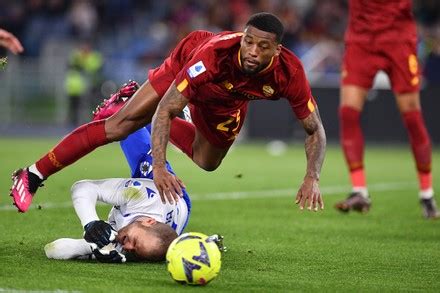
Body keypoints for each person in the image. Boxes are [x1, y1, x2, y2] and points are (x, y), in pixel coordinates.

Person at [10, 12, 326, 213]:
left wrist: (312, 176)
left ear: (278, 50)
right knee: (119, 126)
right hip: (188, 67)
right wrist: (160, 167)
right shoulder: (214, 55)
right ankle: (33, 174)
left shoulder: (290, 73)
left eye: (262, 46)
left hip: (228, 101)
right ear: (242, 38)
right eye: (248, 41)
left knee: (207, 162)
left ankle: (140, 104)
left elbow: (315, 130)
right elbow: (166, 109)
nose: (253, 51)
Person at [45, 100, 191, 262]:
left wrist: (93, 246)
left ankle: (147, 113)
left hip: (172, 220)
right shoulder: (141, 195)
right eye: (133, 242)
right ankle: (128, 105)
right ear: (148, 221)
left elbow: (54, 249)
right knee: (129, 128)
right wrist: (90, 223)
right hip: (168, 191)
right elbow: (83, 187)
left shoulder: (137, 246)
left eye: (134, 252)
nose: (128, 247)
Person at [334, 0, 438, 218]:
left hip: (398, 39)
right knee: (348, 113)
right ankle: (359, 190)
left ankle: (427, 195)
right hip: (361, 39)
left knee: (411, 115)